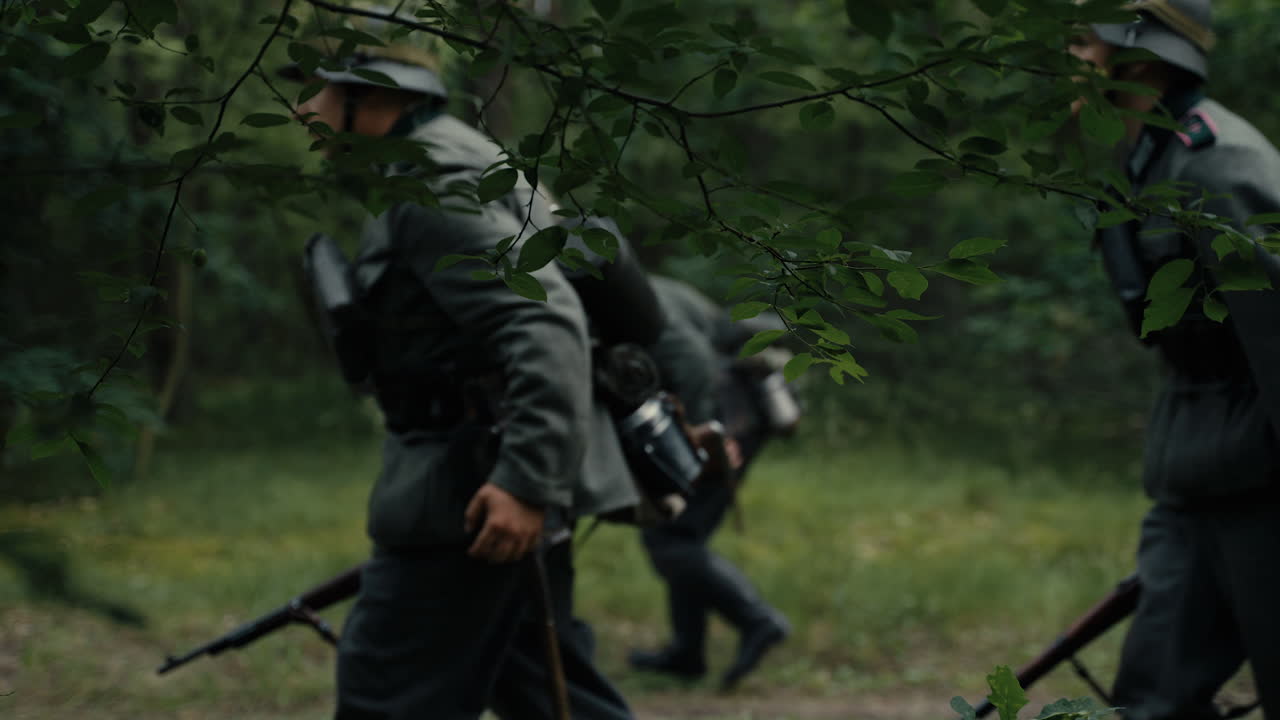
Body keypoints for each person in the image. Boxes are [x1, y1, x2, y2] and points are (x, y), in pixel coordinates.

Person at [281, 14, 637, 720]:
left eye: (316, 89)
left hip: (471, 493)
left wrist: (525, 482)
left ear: (370, 93)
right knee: (546, 694)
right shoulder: (462, 158)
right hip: (486, 477)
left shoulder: (431, 181)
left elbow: (543, 320)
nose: (301, 109)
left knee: (386, 694)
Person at [1069, 2, 1280, 717]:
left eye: (1085, 43)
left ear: (1143, 57)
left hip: (1265, 483)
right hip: (1192, 478)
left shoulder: (1220, 162)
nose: (1070, 61)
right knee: (1152, 700)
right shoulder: (1141, 164)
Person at [628, 275, 796, 691]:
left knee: (671, 539)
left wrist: (700, 431)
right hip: (736, 407)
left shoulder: (632, 298)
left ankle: (758, 620)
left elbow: (691, 361)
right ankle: (687, 654)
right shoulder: (646, 288)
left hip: (726, 417)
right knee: (683, 535)